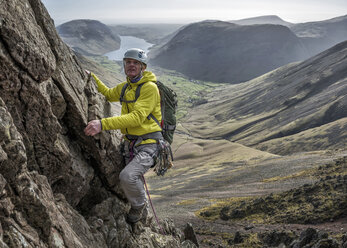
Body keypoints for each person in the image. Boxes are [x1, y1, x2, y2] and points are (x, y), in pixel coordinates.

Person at [84, 48, 162, 223]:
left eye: (136, 63)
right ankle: (140, 211)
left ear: (143, 67)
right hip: (132, 144)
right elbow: (108, 93)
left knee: (127, 176)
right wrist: (92, 77)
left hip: (149, 144)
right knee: (130, 179)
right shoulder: (126, 87)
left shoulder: (149, 88)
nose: (131, 65)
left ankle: (139, 206)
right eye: (128, 62)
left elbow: (137, 118)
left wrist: (102, 124)